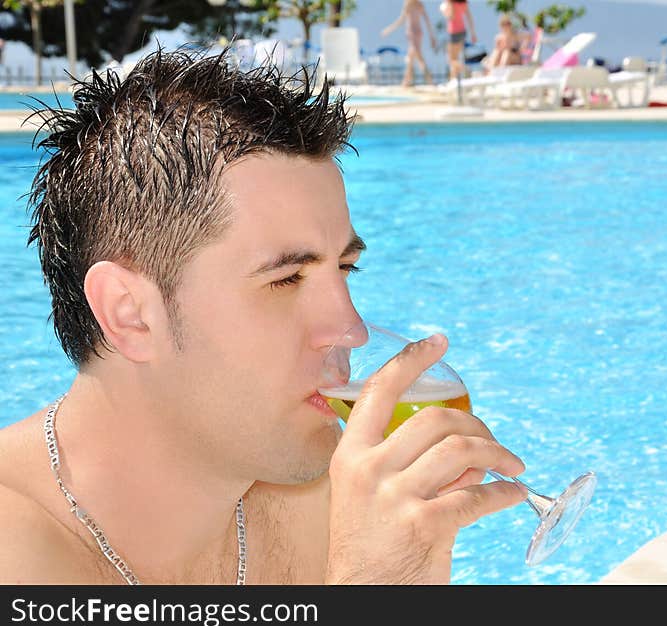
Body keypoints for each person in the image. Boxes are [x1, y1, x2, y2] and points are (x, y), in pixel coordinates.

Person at [0, 48, 527, 585]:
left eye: (345, 268)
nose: (352, 329)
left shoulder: (339, 500)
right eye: (285, 279)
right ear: (130, 313)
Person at [381, 0, 437, 86]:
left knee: (416, 56)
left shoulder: (419, 4)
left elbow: (427, 20)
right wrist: (389, 29)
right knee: (412, 56)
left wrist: (432, 37)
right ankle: (410, 80)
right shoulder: (408, 5)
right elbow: (401, 20)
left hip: (417, 33)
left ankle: (412, 80)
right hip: (411, 33)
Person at [440, 0, 477, 81]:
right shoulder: (464, 3)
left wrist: (443, 10)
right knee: (455, 59)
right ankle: (453, 80)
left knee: (451, 60)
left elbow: (451, 16)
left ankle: (465, 69)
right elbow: (469, 18)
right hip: (462, 31)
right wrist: (473, 33)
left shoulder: (451, 2)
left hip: (453, 32)